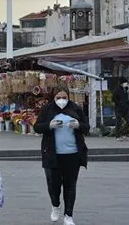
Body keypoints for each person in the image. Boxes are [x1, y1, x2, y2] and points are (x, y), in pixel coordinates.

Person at [34, 85, 89, 225]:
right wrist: (49, 125)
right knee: (53, 184)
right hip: (53, 154)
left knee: (70, 185)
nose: (62, 100)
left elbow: (86, 126)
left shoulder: (76, 108)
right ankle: (55, 205)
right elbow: (37, 127)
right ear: (53, 98)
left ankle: (68, 215)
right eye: (58, 98)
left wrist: (78, 125)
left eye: (64, 98)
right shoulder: (47, 109)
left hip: (73, 154)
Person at [112, 77, 129, 141]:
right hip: (119, 109)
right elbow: (114, 99)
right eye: (125, 83)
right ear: (122, 83)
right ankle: (117, 135)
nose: (126, 84)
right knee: (119, 122)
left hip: (126, 109)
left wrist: (128, 105)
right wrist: (120, 104)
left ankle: (124, 134)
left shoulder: (126, 89)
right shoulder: (117, 89)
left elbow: (127, 98)